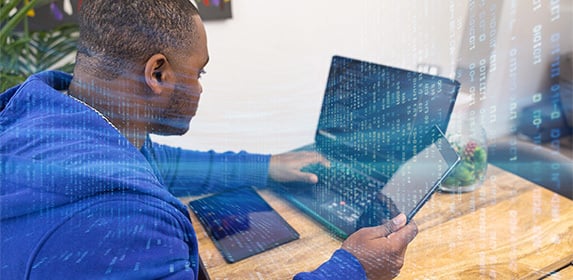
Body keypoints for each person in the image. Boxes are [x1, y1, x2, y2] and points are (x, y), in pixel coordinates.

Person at [0, 1, 418, 279]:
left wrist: (268, 165)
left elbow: (158, 162)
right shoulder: (124, 224)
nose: (201, 87)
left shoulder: (54, 120)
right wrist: (353, 268)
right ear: (157, 73)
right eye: (199, 72)